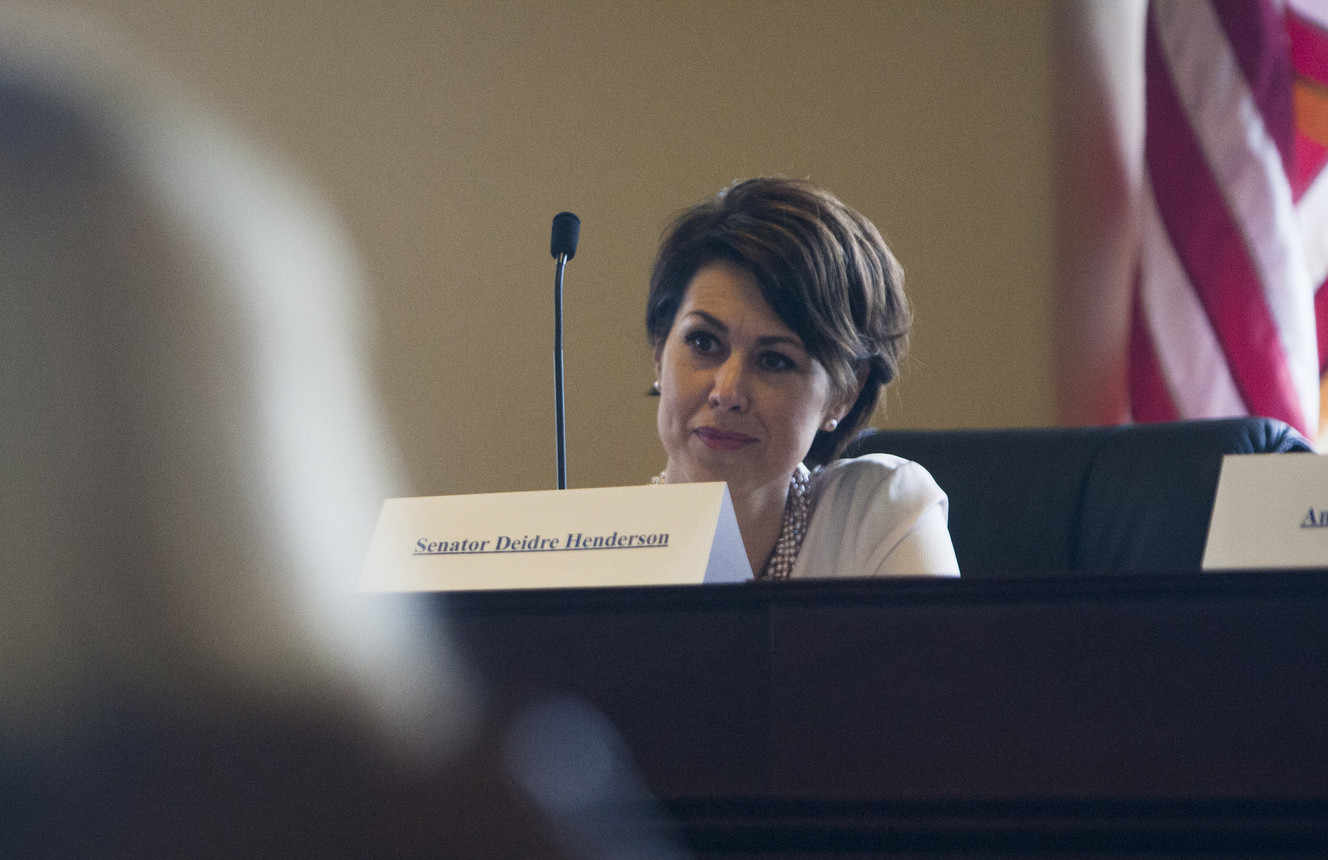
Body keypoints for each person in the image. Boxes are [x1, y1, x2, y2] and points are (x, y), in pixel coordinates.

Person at [646, 178, 960, 579]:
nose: (727, 393)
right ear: (659, 352)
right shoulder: (582, 548)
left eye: (774, 361)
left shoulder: (876, 515)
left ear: (844, 394)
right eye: (704, 342)